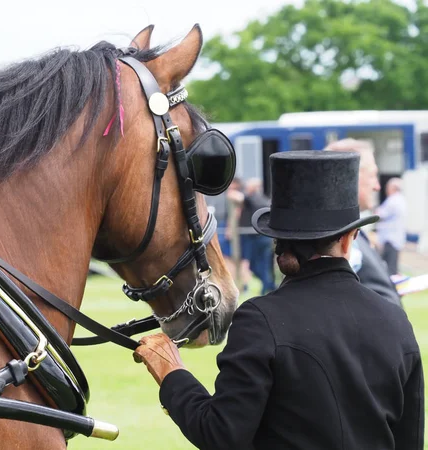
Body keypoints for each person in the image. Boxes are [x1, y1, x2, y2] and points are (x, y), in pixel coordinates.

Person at [134, 151, 423, 450]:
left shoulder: (260, 319)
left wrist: (172, 373)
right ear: (350, 238)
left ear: (276, 241)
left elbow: (221, 434)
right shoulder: (396, 320)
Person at [324, 138, 403, 308]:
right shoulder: (333, 239)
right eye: (372, 175)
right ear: (350, 177)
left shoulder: (349, 232)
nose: (377, 186)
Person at [238, 178, 276, 294]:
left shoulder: (254, 198)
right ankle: (270, 286)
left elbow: (239, 197)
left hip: (258, 239)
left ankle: (268, 287)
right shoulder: (264, 199)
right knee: (262, 265)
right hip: (264, 238)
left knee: (258, 266)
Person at [375, 177, 407, 275]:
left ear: (393, 188)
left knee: (388, 269)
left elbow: (379, 214)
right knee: (392, 266)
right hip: (396, 238)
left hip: (390, 239)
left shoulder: (393, 200)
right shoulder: (401, 199)